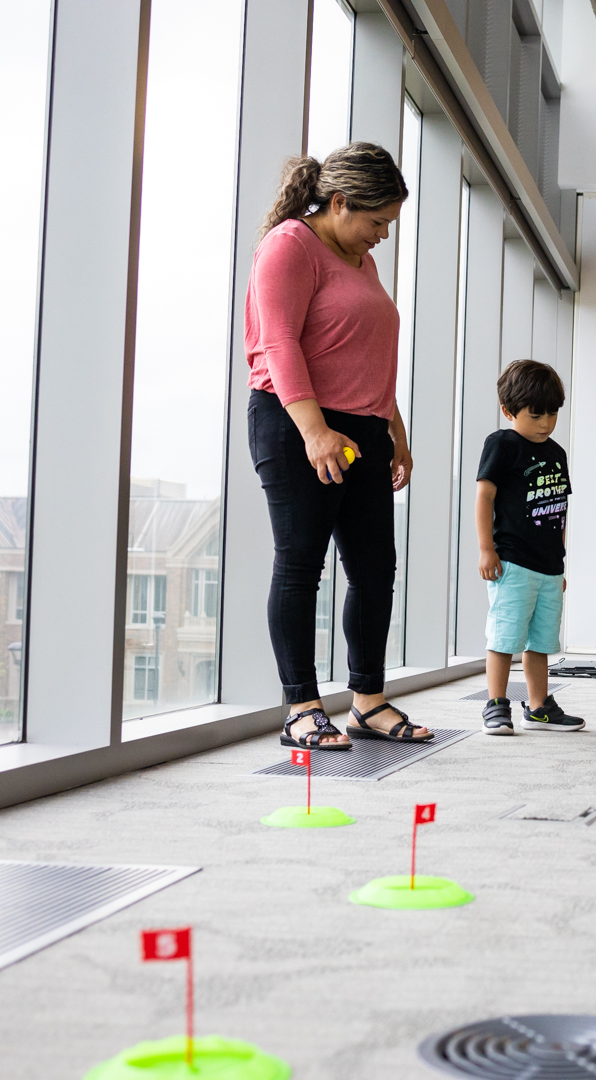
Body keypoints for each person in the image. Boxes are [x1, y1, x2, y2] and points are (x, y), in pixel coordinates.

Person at [245, 142, 431, 750]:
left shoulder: (358, 259)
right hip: (298, 423)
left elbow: (363, 352)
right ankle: (301, 707)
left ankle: (367, 702)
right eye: (377, 222)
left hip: (364, 429)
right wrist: (315, 431)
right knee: (301, 565)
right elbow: (279, 345)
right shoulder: (290, 246)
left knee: (375, 568)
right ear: (342, 201)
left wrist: (393, 427)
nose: (382, 235)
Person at [476, 360, 584, 735]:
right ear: (509, 411)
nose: (545, 423)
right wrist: (486, 549)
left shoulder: (557, 453)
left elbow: (560, 510)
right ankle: (496, 705)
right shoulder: (502, 444)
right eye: (535, 415)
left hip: (549, 566)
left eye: (552, 413)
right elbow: (484, 496)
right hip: (512, 563)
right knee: (505, 638)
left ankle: (538, 708)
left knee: (540, 642)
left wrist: (560, 564)